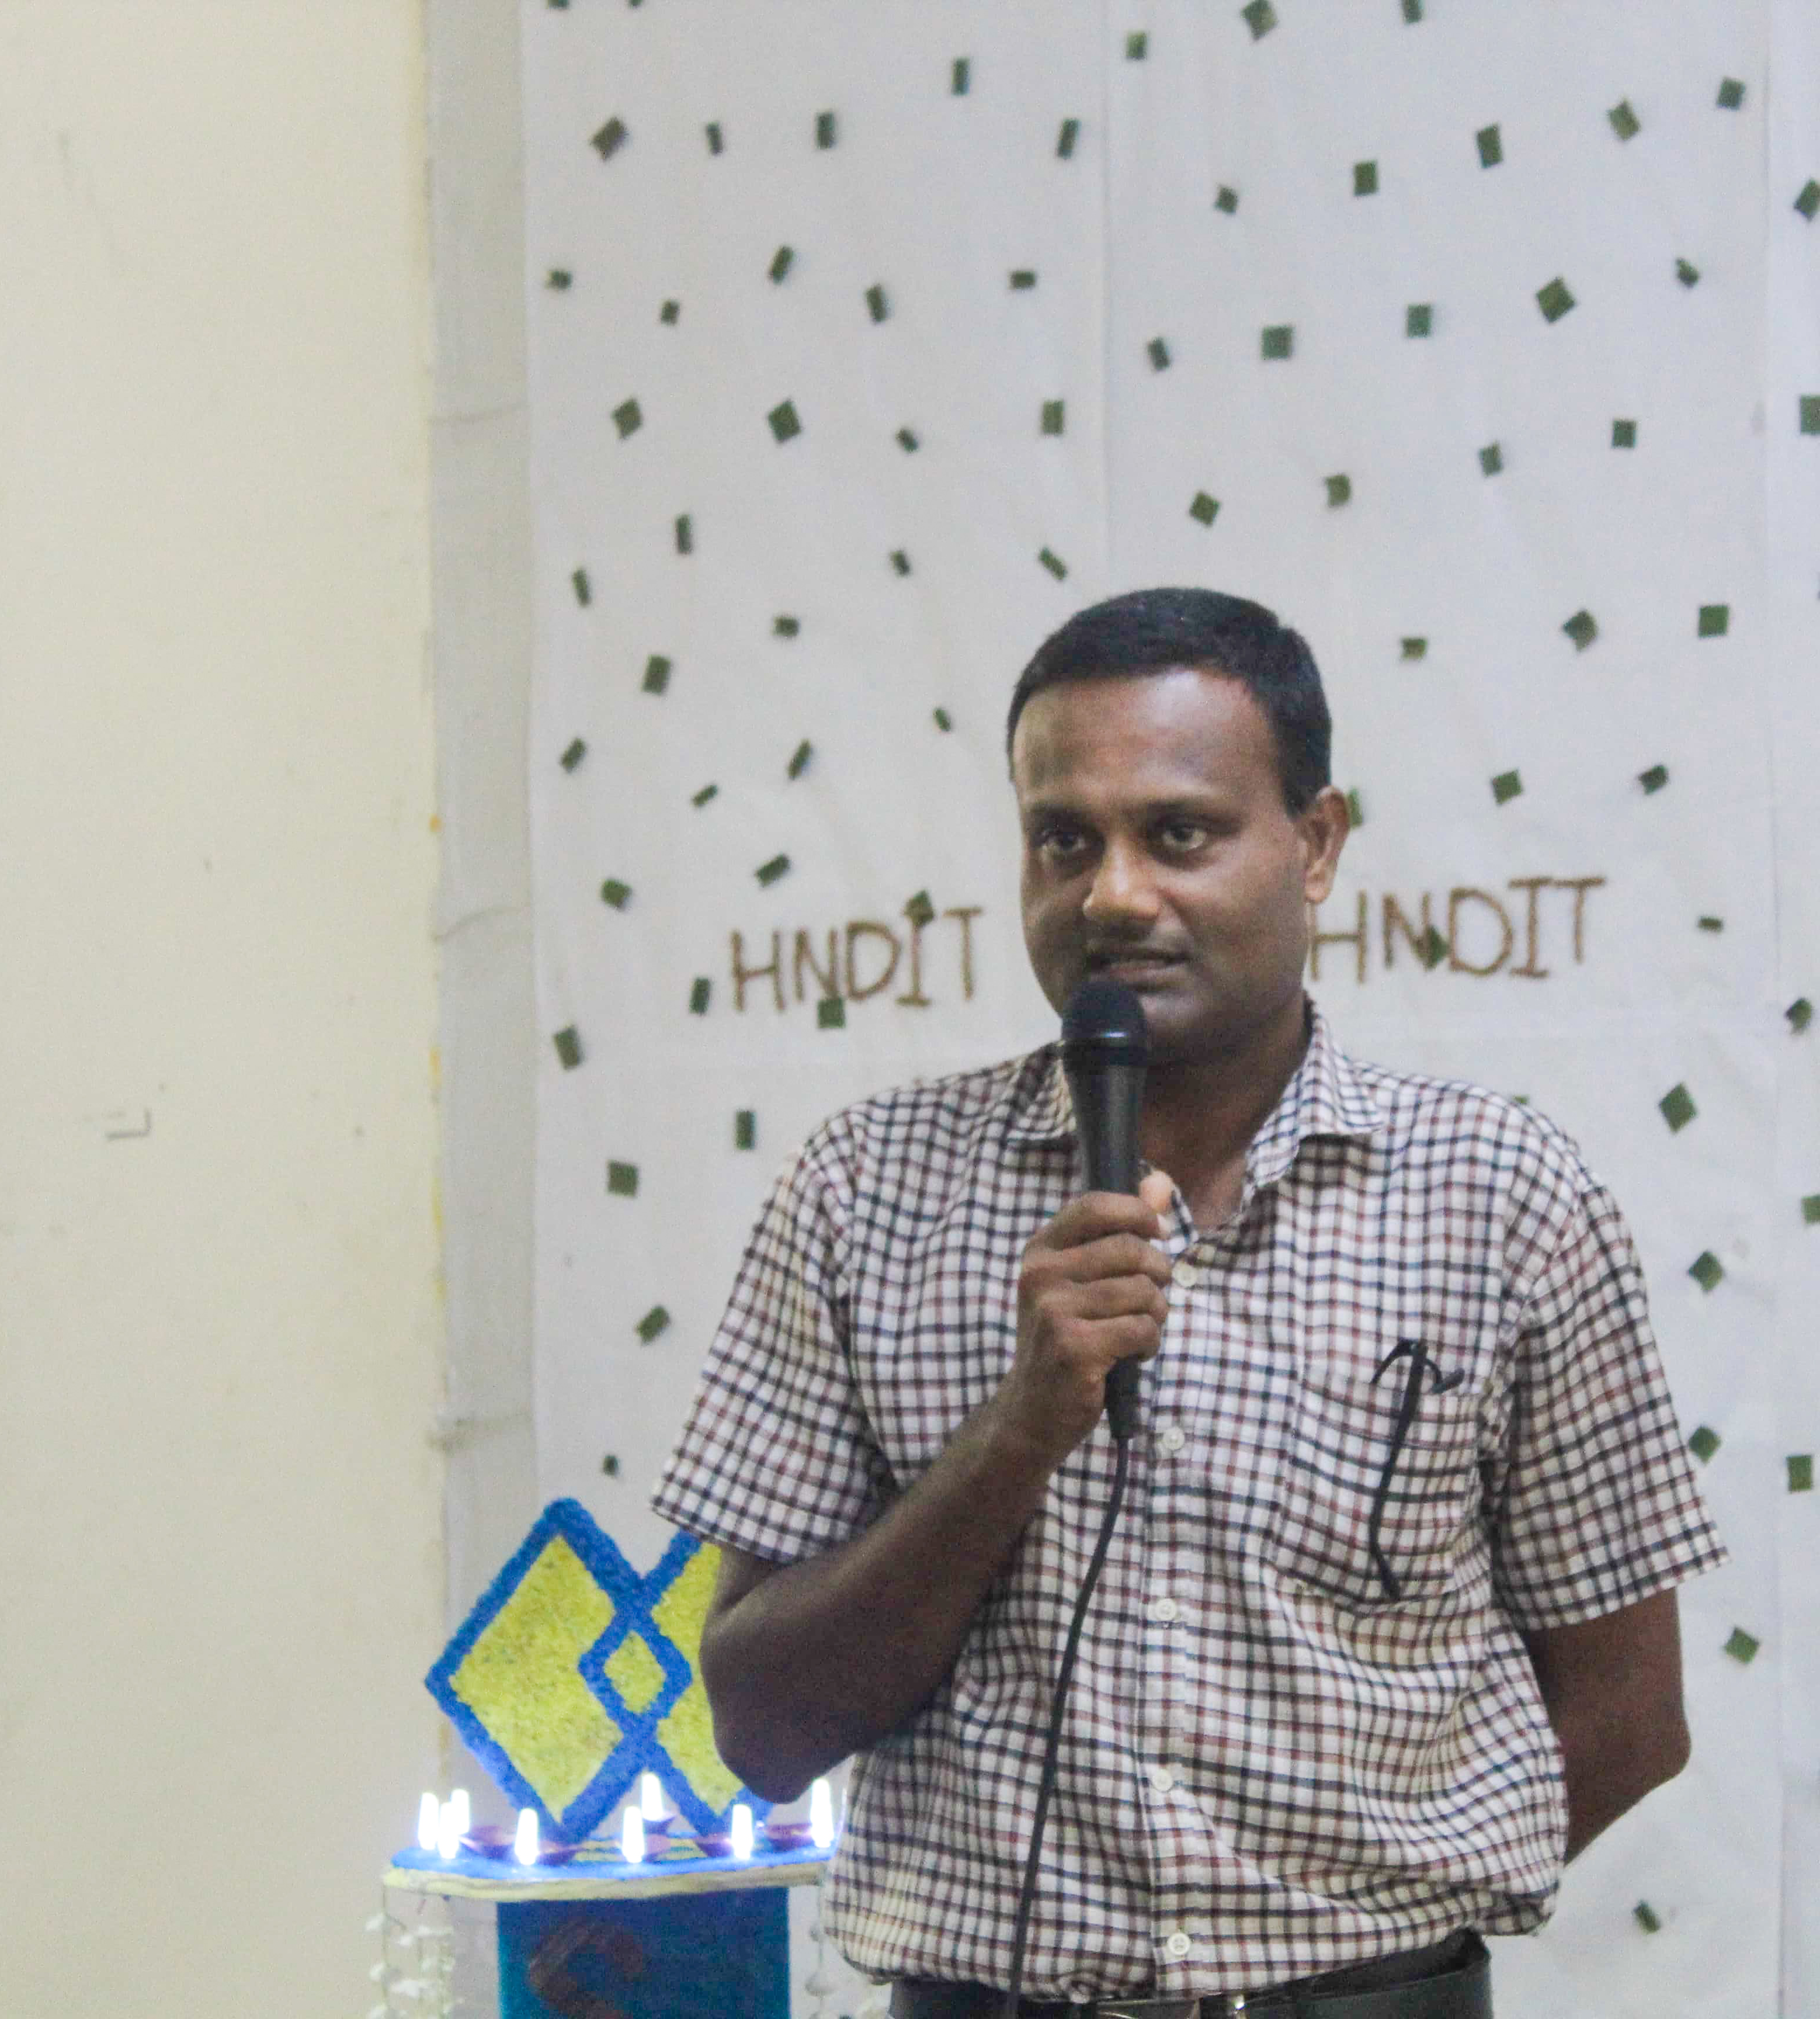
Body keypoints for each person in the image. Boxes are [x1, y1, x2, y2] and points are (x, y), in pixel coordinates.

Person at [653, 587, 1727, 2017]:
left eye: (1178, 834)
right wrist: (1020, 1430)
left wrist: (1341, 1950)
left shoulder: (1502, 1195)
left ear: (1317, 844)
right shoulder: (865, 1190)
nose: (1111, 895)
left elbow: (1630, 1715)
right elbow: (762, 1727)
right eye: (1063, 840)